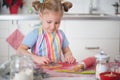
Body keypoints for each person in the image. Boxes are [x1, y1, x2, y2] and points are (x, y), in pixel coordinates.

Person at [17, 0, 76, 65]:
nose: (53, 27)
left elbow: (67, 51)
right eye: (49, 22)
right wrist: (36, 58)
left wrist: (69, 56)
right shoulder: (36, 34)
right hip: (39, 72)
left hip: (57, 70)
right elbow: (20, 51)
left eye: (57, 23)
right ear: (41, 17)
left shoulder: (61, 34)